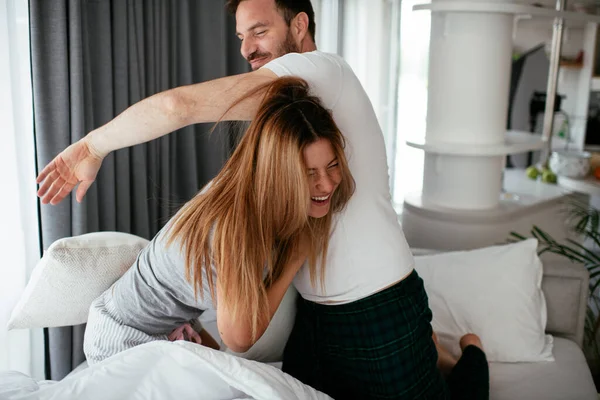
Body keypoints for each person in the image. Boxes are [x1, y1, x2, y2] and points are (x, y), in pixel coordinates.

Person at [36, 0, 489, 398]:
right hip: (317, 318)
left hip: (374, 301)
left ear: (299, 26)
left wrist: (92, 146)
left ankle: (470, 357)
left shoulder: (316, 72)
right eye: (240, 36)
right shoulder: (282, 125)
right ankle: (435, 349)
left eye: (260, 30)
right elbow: (238, 324)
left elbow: (179, 107)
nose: (246, 50)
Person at [80, 76, 355, 364]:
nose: (326, 184)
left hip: (174, 326)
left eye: (333, 165)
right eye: (310, 173)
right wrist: (296, 256)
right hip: (123, 335)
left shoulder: (256, 189)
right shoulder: (238, 222)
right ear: (279, 175)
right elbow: (239, 339)